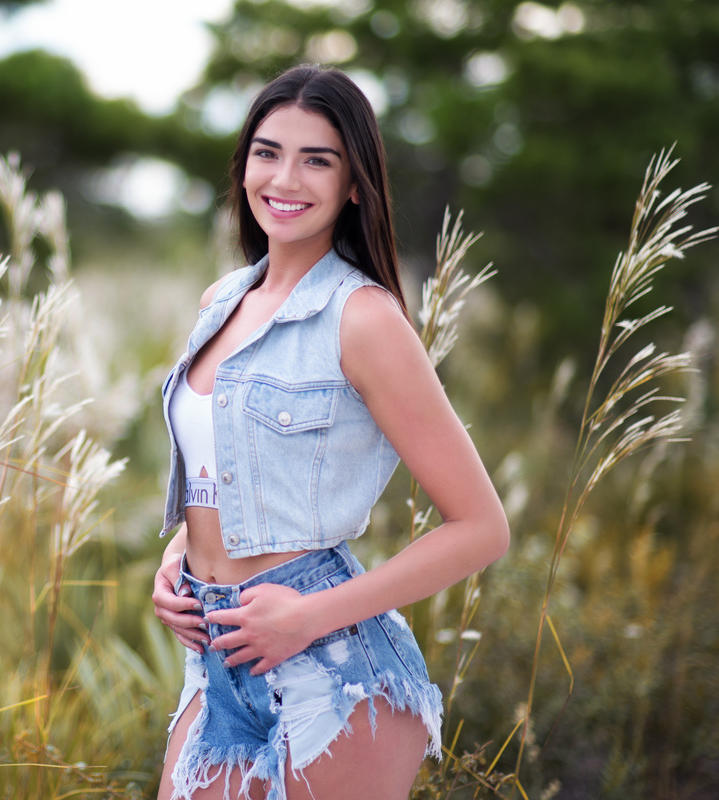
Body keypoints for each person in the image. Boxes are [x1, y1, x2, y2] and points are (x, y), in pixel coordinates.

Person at [151, 64, 510, 800]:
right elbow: (229, 466)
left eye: (317, 159)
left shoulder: (364, 319)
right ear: (244, 164)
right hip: (219, 655)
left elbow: (481, 528)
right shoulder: (223, 299)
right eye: (267, 151)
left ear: (354, 184)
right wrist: (181, 551)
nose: (285, 178)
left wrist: (307, 618)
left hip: (332, 670)